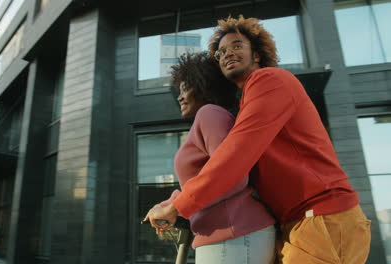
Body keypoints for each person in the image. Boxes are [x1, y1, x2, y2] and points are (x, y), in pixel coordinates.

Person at [144, 16, 371, 264]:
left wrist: (179, 206)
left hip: (322, 215)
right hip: (298, 221)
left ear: (257, 54)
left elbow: (234, 159)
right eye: (221, 53)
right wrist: (177, 201)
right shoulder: (245, 105)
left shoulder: (269, 81)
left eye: (237, 46)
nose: (228, 53)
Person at [144, 51, 276, 264]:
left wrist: (176, 206)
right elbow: (202, 181)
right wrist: (170, 204)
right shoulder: (210, 119)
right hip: (228, 234)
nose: (179, 96)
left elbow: (230, 176)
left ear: (204, 86)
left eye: (185, 88)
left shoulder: (210, 114)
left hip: (235, 231)